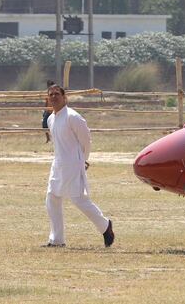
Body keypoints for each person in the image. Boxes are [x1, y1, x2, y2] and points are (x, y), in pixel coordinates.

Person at [43, 84, 114, 248]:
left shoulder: (73, 117)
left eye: (57, 94)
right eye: (51, 94)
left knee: (78, 199)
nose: (54, 97)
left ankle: (105, 226)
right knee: (52, 198)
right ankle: (57, 239)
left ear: (64, 97)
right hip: (58, 164)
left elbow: (86, 140)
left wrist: (84, 159)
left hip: (73, 165)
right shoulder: (51, 118)